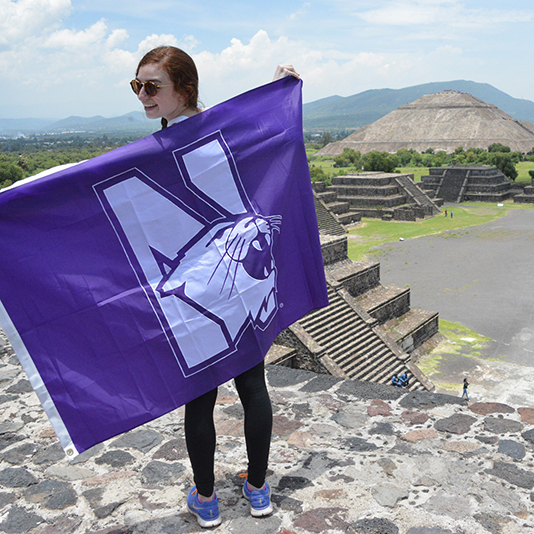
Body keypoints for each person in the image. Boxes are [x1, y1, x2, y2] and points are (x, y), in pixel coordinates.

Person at [131, 46, 298, 528]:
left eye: (152, 86)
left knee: (207, 396)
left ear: (185, 87)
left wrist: (278, 86)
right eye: (137, 85)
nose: (143, 94)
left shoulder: (163, 148)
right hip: (234, 288)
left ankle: (207, 500)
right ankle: (259, 490)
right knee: (250, 386)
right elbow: (267, 135)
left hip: (209, 291)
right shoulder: (217, 131)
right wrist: (278, 88)